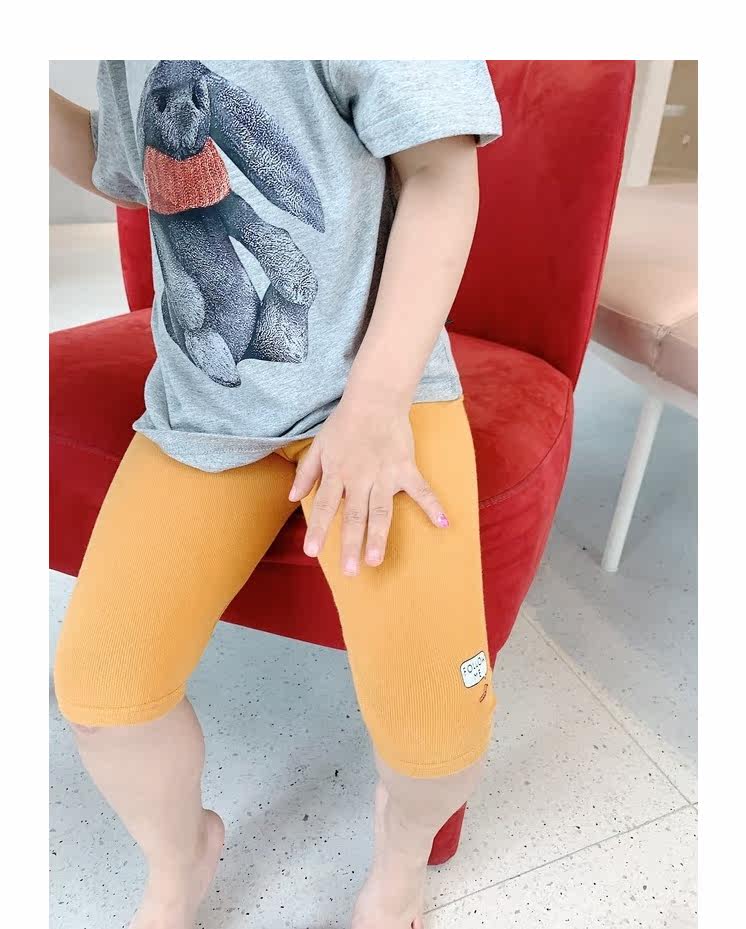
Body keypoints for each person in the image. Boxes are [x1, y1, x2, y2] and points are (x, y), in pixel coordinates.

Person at [49, 59, 502, 929]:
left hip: (377, 398)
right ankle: (181, 858)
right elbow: (126, 160)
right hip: (205, 412)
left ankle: (401, 858)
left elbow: (443, 170)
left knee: (439, 736)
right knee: (103, 699)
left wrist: (374, 406)